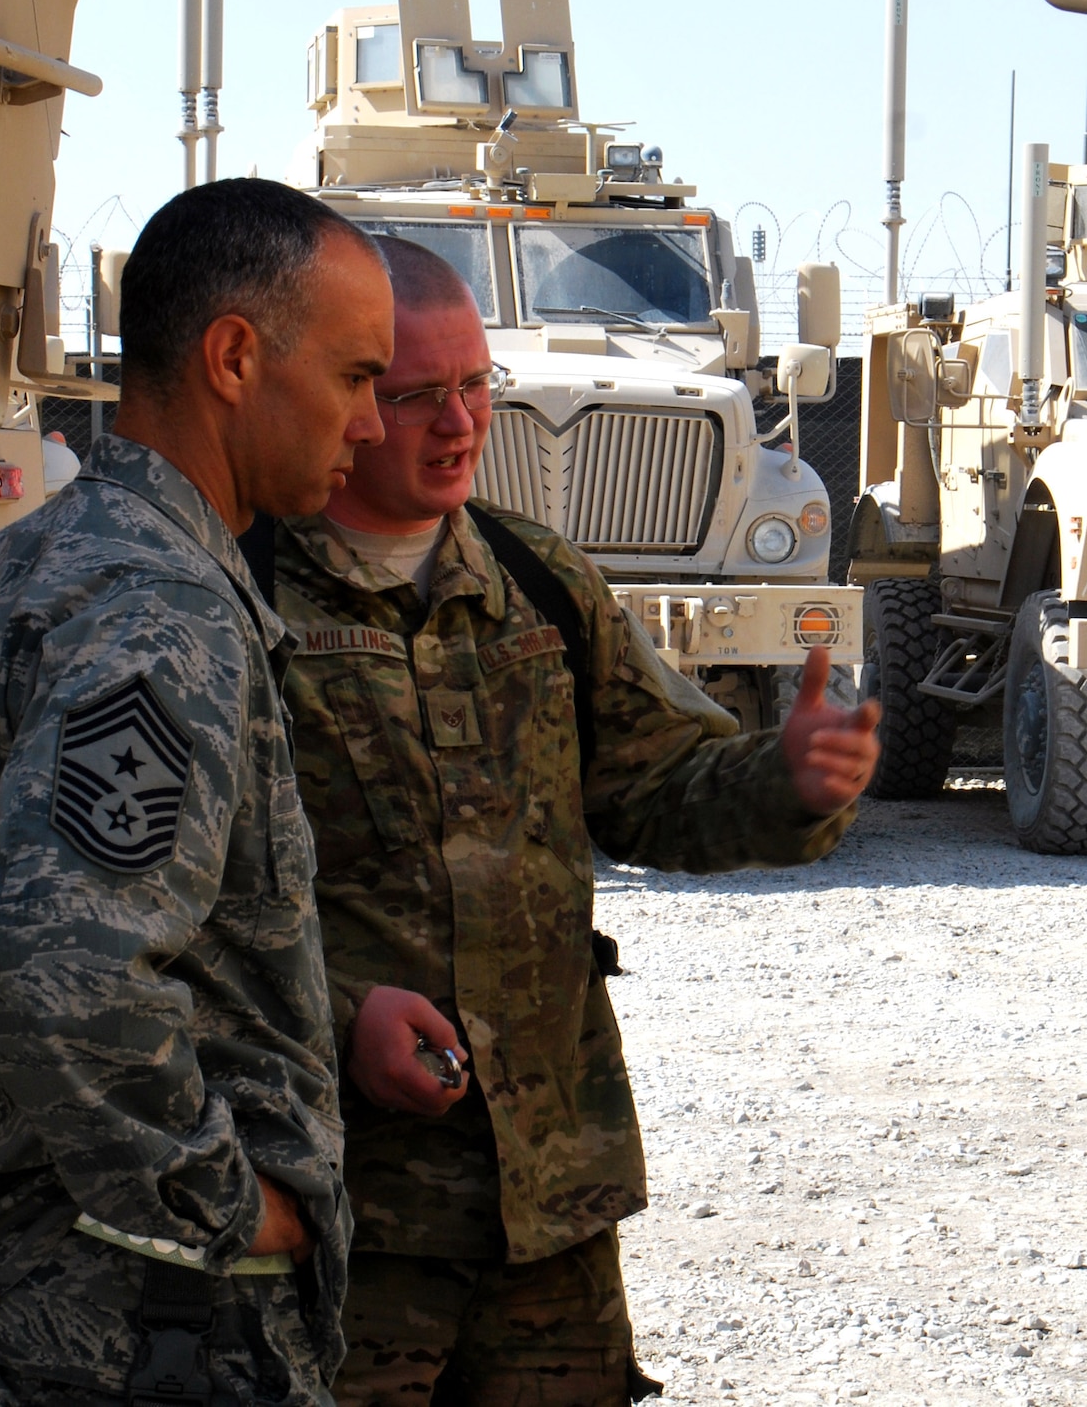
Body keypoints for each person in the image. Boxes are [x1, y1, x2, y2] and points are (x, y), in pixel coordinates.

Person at [257, 236, 880, 1406]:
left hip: (544, 1203)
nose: (460, 423)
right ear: (345, 395)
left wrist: (788, 782)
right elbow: (173, 915)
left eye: (474, 384)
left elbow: (655, 788)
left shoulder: (538, 582)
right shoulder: (237, 596)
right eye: (417, 394)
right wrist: (338, 1020)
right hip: (335, 1215)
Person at [0, 179, 394, 1405]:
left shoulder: (42, 560)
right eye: (355, 376)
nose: (374, 423)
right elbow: (64, 962)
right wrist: (219, 1196)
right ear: (234, 356)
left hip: (25, 1290)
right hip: (127, 1315)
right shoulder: (155, 610)